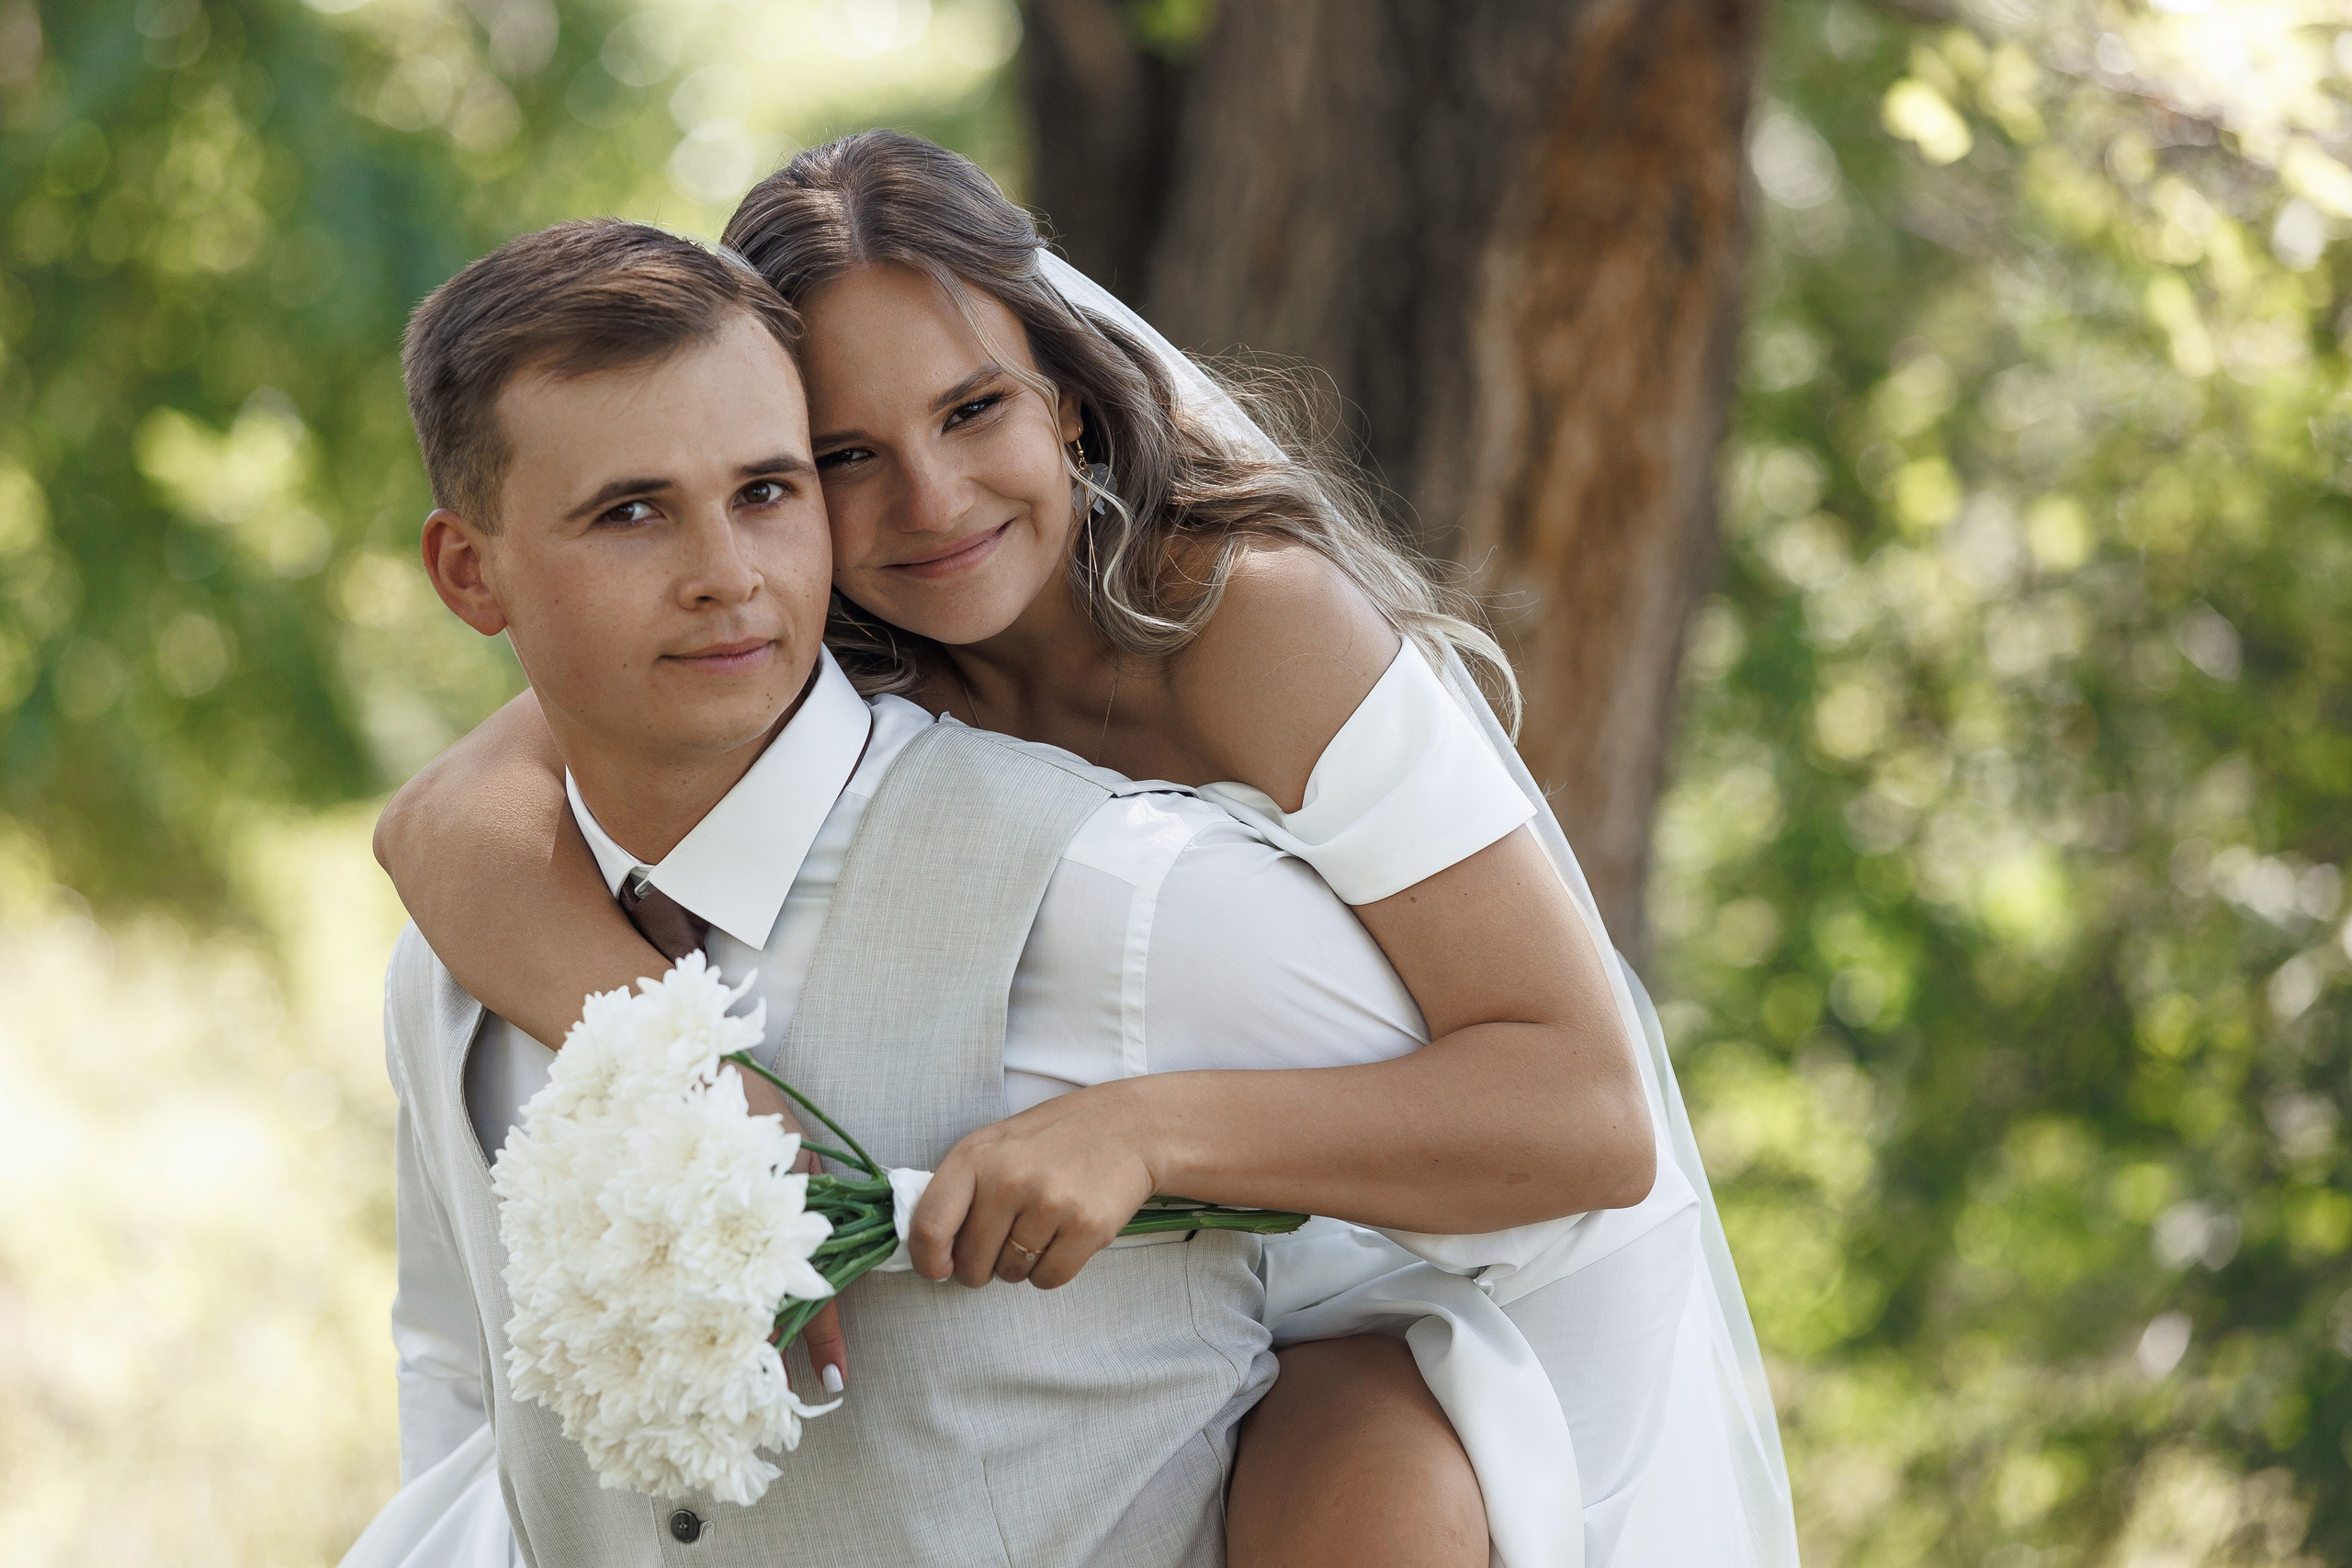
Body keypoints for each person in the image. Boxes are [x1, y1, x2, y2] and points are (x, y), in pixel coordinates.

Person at [375, 133, 1800, 1563]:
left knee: (1368, 1468)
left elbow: (1588, 1118)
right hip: (1202, 1272)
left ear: (1065, 402)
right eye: (844, 458)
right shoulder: (821, 646)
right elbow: (443, 826)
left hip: (1453, 1262)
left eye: (974, 410)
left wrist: (1145, 1128)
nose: (930, 501)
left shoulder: (1247, 623)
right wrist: (695, 1087)